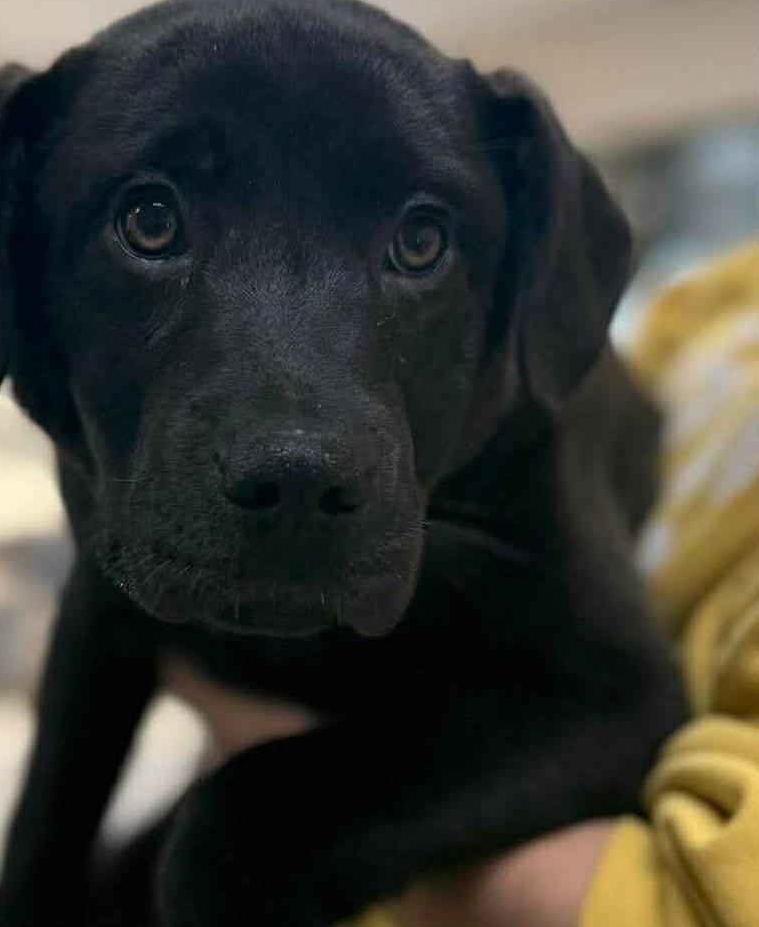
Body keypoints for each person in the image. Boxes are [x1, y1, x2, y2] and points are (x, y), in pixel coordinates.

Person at [167, 243, 759, 927]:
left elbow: (682, 885)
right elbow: (617, 361)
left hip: (473, 764)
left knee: (200, 857)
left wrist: (271, 795)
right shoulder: (727, 284)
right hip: (408, 699)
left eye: (418, 246)